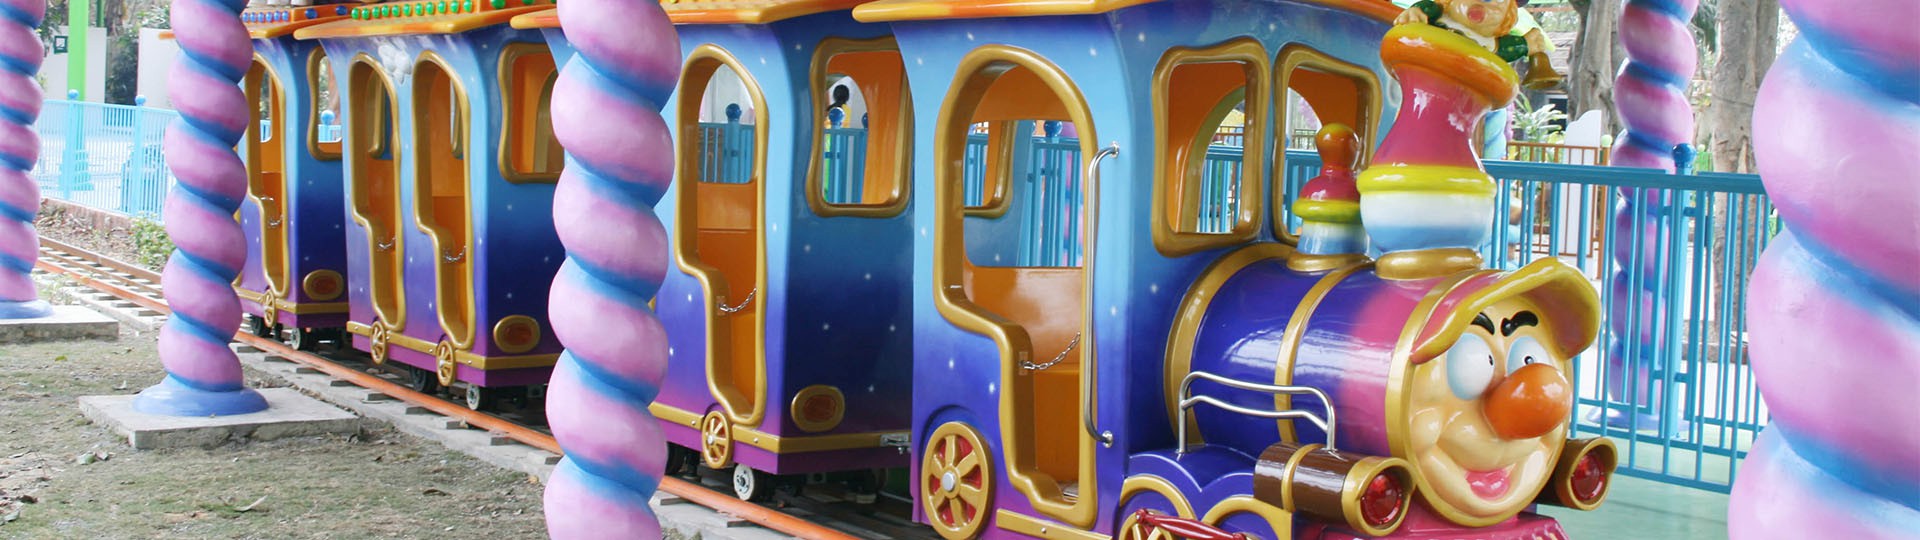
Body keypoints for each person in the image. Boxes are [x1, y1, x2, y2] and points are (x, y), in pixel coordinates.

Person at [1392, 0, 1563, 90]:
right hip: (1426, 74)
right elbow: (1428, 7)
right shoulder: (1440, 17)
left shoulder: (1490, 43)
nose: (1483, 3)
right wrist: (1416, 11)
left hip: (1463, 88)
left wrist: (1526, 44)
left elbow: (1505, 49)